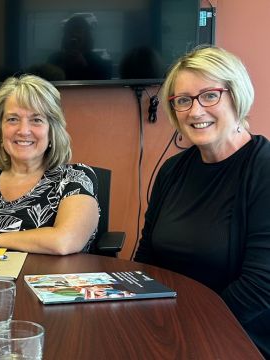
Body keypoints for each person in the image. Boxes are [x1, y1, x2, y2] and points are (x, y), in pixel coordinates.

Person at [134, 46, 270, 357]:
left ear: (236, 96)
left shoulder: (263, 170)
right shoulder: (172, 170)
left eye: (210, 95)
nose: (195, 112)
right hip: (170, 327)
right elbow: (147, 256)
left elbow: (261, 286)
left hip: (238, 336)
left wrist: (186, 327)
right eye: (183, 100)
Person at [0, 74, 99, 255]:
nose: (23, 131)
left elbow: (65, 241)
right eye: (12, 119)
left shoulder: (75, 177)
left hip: (50, 282)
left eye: (36, 120)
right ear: (0, 130)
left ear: (52, 131)